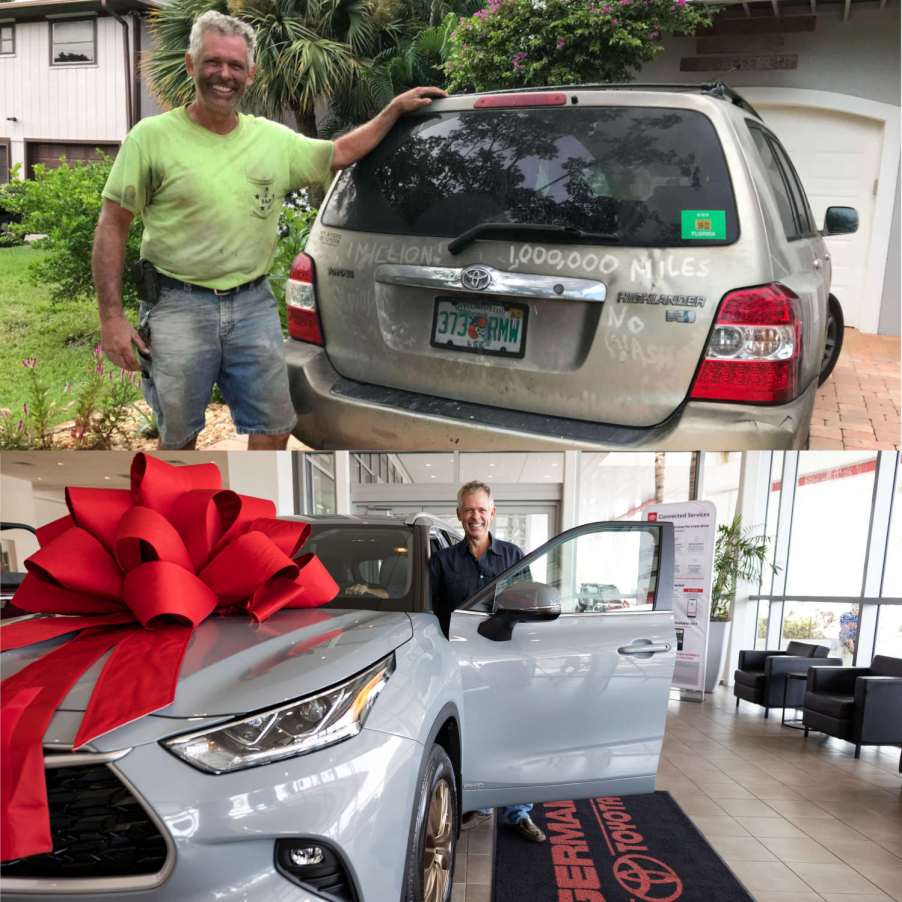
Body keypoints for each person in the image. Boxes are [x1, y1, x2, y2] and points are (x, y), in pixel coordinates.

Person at [92, 10, 445, 450]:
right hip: (177, 306)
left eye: (236, 66)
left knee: (275, 426)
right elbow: (112, 225)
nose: (225, 75)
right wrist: (111, 318)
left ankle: (254, 511)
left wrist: (392, 112)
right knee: (179, 436)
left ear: (251, 73)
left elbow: (339, 151)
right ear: (190, 64)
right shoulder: (151, 137)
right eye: (213, 62)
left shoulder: (272, 140)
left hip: (252, 306)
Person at [429, 480, 547, 844]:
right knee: (469, 738)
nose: (474, 516)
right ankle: (477, 803)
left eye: (481, 509)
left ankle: (519, 811)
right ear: (459, 514)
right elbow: (431, 614)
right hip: (461, 667)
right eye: (468, 509)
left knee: (514, 736)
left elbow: (530, 609)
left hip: (505, 664)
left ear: (492, 513)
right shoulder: (443, 562)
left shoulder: (514, 557)